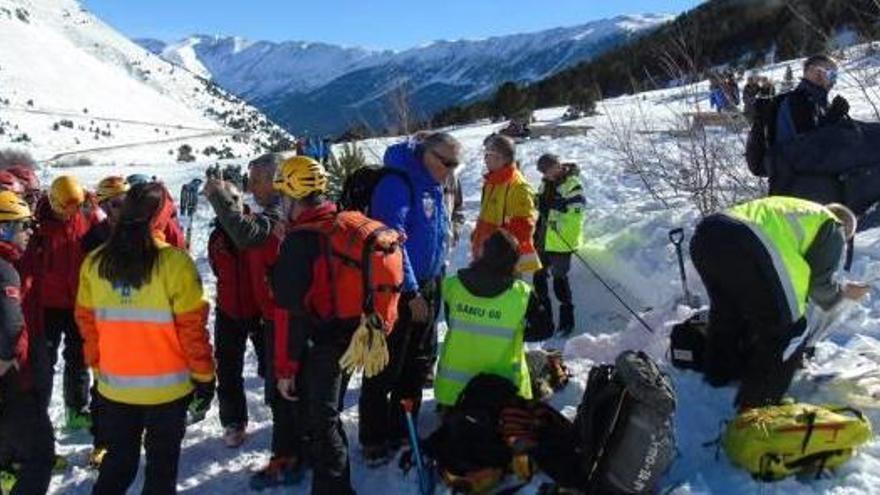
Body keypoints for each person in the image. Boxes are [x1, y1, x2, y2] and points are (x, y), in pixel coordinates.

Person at [74, 182, 215, 494]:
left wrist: (100, 369)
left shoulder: (94, 263)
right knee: (161, 472)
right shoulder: (175, 263)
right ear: (161, 217)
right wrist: (205, 376)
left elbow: (88, 325)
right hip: (168, 392)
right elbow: (192, 330)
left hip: (115, 389)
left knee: (117, 466)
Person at [690, 197, 869, 409]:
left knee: (730, 313)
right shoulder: (832, 226)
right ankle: (758, 408)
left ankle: (719, 379)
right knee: (789, 332)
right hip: (749, 244)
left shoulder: (796, 211)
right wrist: (846, 292)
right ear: (846, 229)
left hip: (706, 236)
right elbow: (820, 285)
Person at [270, 156, 371, 494]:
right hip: (350, 334)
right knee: (327, 412)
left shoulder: (299, 242)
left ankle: (335, 488)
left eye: (282, 196)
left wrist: (285, 369)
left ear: (292, 197)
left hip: (320, 343)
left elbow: (288, 314)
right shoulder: (337, 222)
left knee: (323, 419)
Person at [359, 132, 459, 465]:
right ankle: (374, 438)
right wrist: (412, 291)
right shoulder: (398, 183)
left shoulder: (434, 181)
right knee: (385, 365)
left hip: (430, 281)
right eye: (447, 162)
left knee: (417, 362)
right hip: (397, 290)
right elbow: (390, 242)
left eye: (455, 163)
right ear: (426, 153)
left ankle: (403, 427)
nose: (451, 170)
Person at [204, 152, 300, 488]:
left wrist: (217, 194)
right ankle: (273, 439)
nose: (250, 186)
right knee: (236, 371)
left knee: (281, 383)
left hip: (273, 316)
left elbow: (249, 236)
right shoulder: (227, 232)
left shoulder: (275, 215)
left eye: (255, 179)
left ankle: (290, 451)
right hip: (239, 310)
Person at [435, 230, 552, 407]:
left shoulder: (453, 285)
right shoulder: (521, 294)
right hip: (504, 395)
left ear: (483, 254)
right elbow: (545, 328)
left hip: (453, 394)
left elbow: (452, 322)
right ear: (514, 260)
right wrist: (517, 333)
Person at [22, 175, 101, 431]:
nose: (69, 214)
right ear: (53, 202)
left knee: (79, 357)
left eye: (73, 209)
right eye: (64, 209)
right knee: (43, 362)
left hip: (79, 300)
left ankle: (76, 409)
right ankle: (37, 416)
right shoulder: (37, 223)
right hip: (47, 304)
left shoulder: (86, 214)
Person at [0, 191, 55, 494]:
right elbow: (10, 328)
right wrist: (6, 359)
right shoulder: (5, 269)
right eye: (23, 225)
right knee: (40, 454)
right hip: (13, 383)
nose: (30, 231)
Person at [205, 182, 264, 448]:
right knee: (228, 370)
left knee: (273, 367)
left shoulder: (255, 229)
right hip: (229, 310)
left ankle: (287, 416)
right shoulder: (216, 237)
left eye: (234, 200)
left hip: (260, 310)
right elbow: (218, 270)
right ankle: (233, 421)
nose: (229, 206)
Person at [472, 134, 540, 274]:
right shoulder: (493, 180)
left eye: (488, 155)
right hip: (486, 255)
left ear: (502, 158)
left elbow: (523, 228)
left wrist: (494, 250)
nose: (485, 159)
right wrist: (478, 234)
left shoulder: (517, 186)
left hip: (501, 262)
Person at [533, 154, 586, 336]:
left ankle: (566, 322)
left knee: (559, 279)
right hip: (542, 238)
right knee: (538, 276)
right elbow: (540, 206)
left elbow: (576, 216)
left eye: (547, 171)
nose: (545, 176)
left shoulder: (573, 185)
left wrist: (555, 215)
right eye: (543, 173)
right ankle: (544, 318)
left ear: (557, 166)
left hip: (561, 242)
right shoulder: (545, 183)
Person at [775, 55, 850, 145]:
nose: (834, 81)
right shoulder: (797, 101)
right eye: (831, 75)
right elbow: (808, 146)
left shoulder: (820, 102)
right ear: (813, 71)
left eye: (835, 76)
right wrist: (834, 118)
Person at [82, 176, 130, 253]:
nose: (125, 209)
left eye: (128, 203)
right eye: (117, 204)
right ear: (103, 207)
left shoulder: (138, 231)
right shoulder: (93, 238)